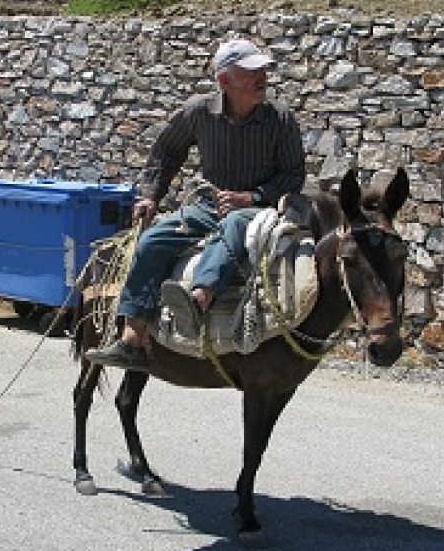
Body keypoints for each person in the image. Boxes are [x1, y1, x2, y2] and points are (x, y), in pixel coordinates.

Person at [85, 37, 307, 369]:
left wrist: (253, 196)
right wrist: (150, 196)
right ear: (224, 81)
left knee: (233, 225)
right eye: (251, 71)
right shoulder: (198, 112)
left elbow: (294, 175)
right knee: (152, 240)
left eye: (263, 69)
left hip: (258, 211)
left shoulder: (281, 118)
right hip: (206, 208)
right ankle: (132, 337)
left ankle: (198, 300)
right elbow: (166, 153)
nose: (262, 76)